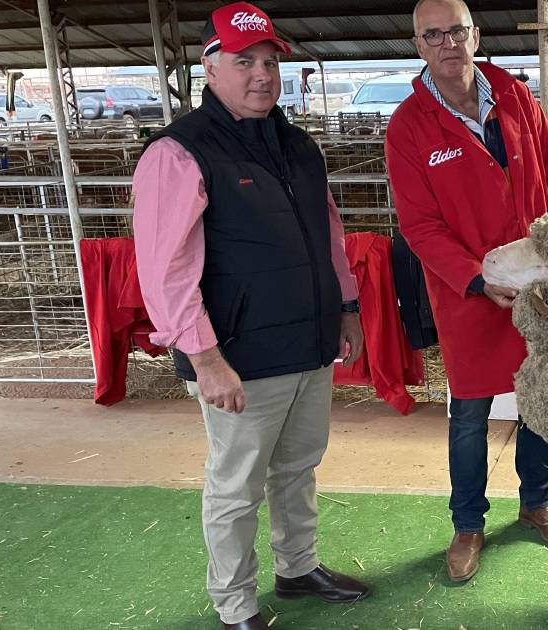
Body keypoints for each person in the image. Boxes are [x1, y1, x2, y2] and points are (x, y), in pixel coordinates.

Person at [132, 3, 371, 628]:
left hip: (309, 340)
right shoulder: (179, 152)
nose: (262, 74)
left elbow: (328, 233)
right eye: (245, 62)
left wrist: (346, 307)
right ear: (210, 70)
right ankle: (235, 604)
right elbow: (166, 270)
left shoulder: (297, 146)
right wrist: (205, 358)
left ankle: (297, 568)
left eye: (269, 62)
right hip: (236, 354)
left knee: (298, 466)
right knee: (237, 485)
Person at [384, 0, 548, 583]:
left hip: (540, 284)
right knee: (470, 411)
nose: (447, 43)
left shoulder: (516, 97)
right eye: (433, 35)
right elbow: (420, 226)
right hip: (469, 292)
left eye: (457, 31)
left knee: (540, 401)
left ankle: (537, 501)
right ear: (418, 45)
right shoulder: (409, 126)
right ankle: (468, 522)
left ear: (475, 34)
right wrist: (477, 277)